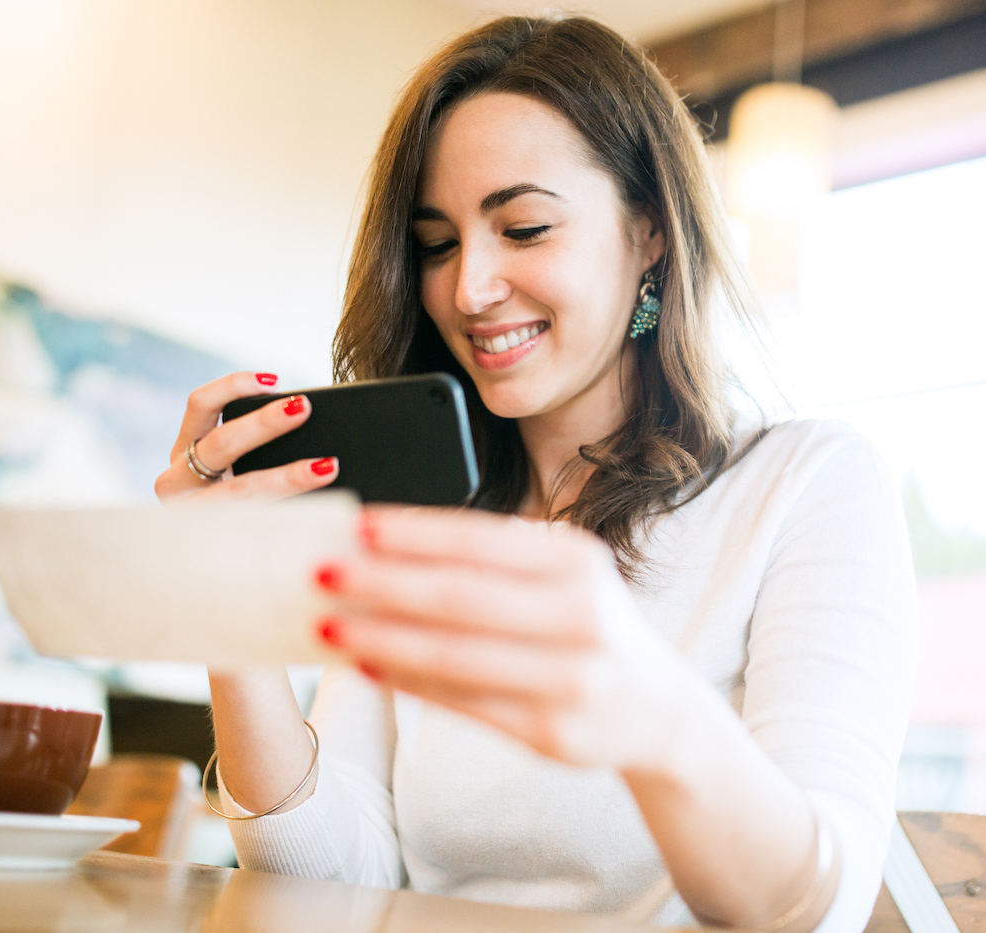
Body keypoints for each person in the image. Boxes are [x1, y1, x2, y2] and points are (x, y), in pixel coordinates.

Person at [154, 15, 916, 932]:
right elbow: (331, 877)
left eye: (524, 227)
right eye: (437, 244)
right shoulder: (425, 515)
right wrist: (226, 610)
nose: (468, 289)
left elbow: (812, 909)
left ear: (650, 233)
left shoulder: (807, 484)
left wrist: (646, 707)